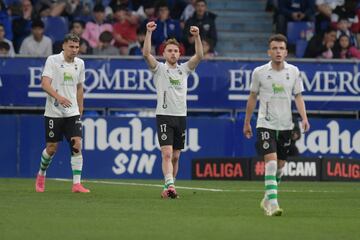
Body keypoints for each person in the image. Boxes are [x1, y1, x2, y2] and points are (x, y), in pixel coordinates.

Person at [243, 34, 310, 216]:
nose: (278, 51)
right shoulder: (259, 72)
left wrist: (304, 118)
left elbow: (298, 96)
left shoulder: (294, 71)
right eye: (275, 48)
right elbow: (252, 96)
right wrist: (247, 121)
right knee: (271, 164)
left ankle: (266, 197)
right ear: (269, 51)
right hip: (265, 123)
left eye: (281, 48)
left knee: (280, 167)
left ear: (286, 52)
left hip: (286, 125)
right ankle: (273, 204)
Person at [143, 21, 203, 199]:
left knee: (176, 157)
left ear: (180, 53)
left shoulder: (184, 70)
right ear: (163, 53)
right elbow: (146, 54)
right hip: (164, 116)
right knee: (167, 153)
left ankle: (168, 186)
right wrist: (148, 33)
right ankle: (170, 186)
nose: (173, 53)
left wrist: (197, 36)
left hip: (180, 117)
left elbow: (199, 55)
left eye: (176, 51)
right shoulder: (159, 69)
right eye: (169, 50)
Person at [35, 33, 90, 193]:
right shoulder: (53, 60)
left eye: (77, 47)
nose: (74, 50)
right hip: (54, 111)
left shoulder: (80, 63)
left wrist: (80, 107)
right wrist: (59, 97)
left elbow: (80, 87)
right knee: (52, 148)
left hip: (72, 112)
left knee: (77, 144)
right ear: (64, 46)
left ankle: (77, 184)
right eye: (71, 47)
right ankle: (41, 173)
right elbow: (45, 84)